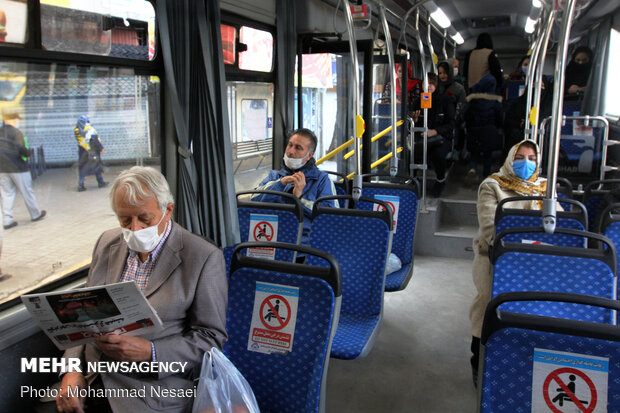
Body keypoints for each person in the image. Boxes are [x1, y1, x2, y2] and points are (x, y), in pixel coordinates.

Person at [39, 166, 228, 413]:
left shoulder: (202, 257)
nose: (134, 229)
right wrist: (72, 370)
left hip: (152, 390)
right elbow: (81, 318)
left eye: (144, 218)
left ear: (167, 210)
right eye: (125, 219)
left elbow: (211, 337)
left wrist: (151, 352)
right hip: (94, 377)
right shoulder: (108, 242)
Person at [468, 140, 549, 386]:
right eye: (520, 157)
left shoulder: (545, 187)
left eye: (532, 158)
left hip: (536, 259)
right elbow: (490, 228)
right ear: (510, 159)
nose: (526, 162)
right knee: (487, 304)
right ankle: (478, 359)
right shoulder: (493, 186)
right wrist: (523, 245)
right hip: (494, 257)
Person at [251, 128, 338, 243]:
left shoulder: (322, 180)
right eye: (290, 145)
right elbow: (253, 200)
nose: (290, 151)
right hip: (270, 239)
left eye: (298, 148)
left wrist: (299, 199)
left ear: (309, 155)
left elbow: (331, 217)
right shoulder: (275, 177)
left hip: (304, 245)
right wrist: (280, 184)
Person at [0, 108, 46, 229]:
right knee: (27, 191)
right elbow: (23, 151)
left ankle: (7, 221)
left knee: (6, 194)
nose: (17, 121)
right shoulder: (17, 133)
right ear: (11, 119)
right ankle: (35, 214)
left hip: (2, 169)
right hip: (18, 167)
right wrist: (28, 153)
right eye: (16, 119)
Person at [412, 73, 455, 197]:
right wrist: (414, 121)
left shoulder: (445, 101)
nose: (428, 86)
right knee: (412, 153)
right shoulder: (418, 101)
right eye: (426, 83)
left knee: (437, 154)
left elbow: (451, 124)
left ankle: (440, 180)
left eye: (431, 83)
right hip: (422, 139)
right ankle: (413, 181)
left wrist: (435, 131)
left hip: (441, 138)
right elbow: (413, 124)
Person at [465, 74, 503, 180]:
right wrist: (498, 127)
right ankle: (486, 174)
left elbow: (466, 115)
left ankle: (473, 168)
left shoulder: (472, 99)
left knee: (474, 152)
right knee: (488, 154)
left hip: (474, 129)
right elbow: (500, 117)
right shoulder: (496, 101)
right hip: (489, 130)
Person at [438, 61, 466, 160]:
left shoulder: (458, 88)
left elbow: (462, 105)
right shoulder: (436, 87)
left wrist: (455, 115)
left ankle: (455, 151)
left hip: (453, 118)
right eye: (440, 73)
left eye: (445, 73)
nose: (442, 75)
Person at [74, 115, 107, 192]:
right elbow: (95, 139)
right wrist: (101, 148)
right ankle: (101, 182)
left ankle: (80, 185)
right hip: (92, 151)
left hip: (82, 152)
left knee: (83, 168)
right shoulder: (89, 129)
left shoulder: (76, 129)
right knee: (97, 166)